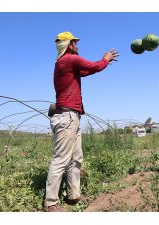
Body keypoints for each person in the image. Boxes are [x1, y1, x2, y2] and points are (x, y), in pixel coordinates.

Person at [44, 31, 119, 212]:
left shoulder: (64, 63)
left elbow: (87, 70)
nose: (78, 46)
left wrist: (103, 62)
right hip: (67, 117)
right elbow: (94, 67)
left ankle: (73, 195)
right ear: (69, 45)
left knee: (75, 158)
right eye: (75, 43)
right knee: (61, 159)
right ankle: (51, 202)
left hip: (72, 116)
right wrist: (106, 59)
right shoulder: (69, 59)